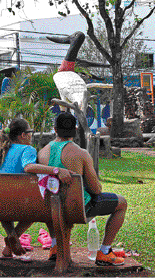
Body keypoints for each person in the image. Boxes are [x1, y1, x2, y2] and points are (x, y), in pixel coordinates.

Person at [38, 112, 127, 266]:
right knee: (122, 203)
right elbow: (96, 190)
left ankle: (55, 245)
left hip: (47, 209)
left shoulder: (42, 152)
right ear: (75, 129)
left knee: (52, 199)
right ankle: (104, 251)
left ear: (55, 129)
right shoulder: (81, 153)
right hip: (77, 210)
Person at [0, 118, 73, 258]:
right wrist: (57, 170)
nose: (31, 135)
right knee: (42, 205)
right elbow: (28, 167)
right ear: (23, 135)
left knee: (4, 199)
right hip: (18, 205)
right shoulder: (27, 149)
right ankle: (15, 239)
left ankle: (11, 238)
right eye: (30, 132)